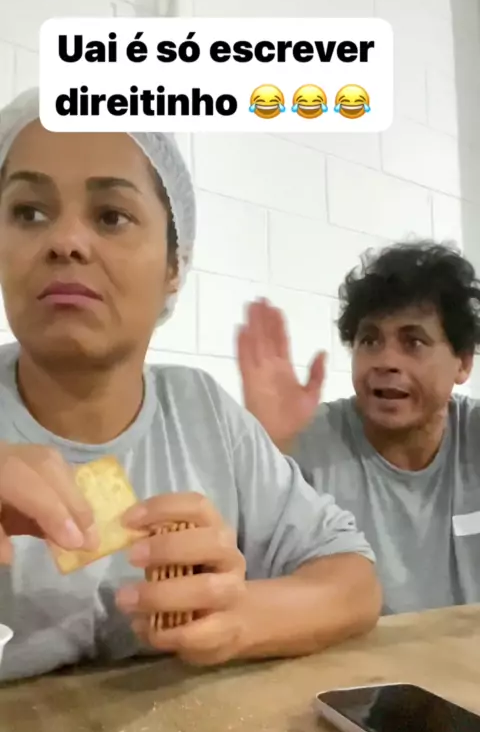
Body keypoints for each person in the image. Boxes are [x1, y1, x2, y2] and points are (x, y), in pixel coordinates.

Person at [0, 88, 380, 683]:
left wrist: (244, 617)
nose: (65, 241)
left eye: (111, 216)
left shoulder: (203, 415)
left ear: (174, 265)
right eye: (28, 212)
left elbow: (353, 577)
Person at [238, 241, 480, 615]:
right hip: (350, 653)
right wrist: (265, 447)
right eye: (370, 340)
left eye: (413, 342)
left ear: (462, 363)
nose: (386, 361)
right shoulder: (305, 441)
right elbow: (235, 577)